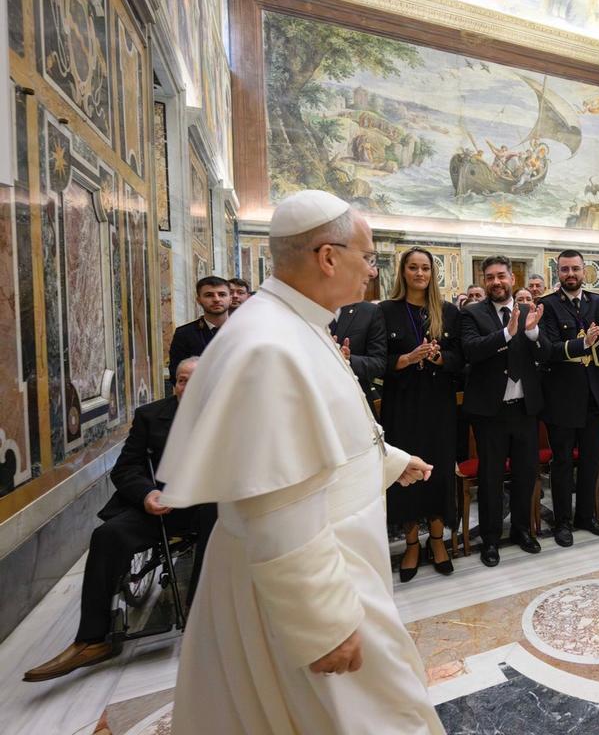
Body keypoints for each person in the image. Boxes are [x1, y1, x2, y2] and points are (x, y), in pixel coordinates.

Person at [156, 190, 443, 734]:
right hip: (311, 581)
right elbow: (274, 498)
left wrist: (389, 462)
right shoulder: (268, 344)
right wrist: (321, 624)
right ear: (328, 257)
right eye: (368, 257)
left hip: (327, 561)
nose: (372, 272)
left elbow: (325, 433)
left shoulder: (297, 322)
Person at [24, 358, 216, 682]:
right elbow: (127, 468)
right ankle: (92, 640)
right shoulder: (151, 416)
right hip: (163, 507)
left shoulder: (229, 417)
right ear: (174, 384)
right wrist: (147, 495)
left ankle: (202, 625)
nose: (187, 387)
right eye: (181, 381)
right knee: (108, 535)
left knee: (216, 518)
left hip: (213, 508)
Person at [379, 247, 461, 581]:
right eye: (413, 267)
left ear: (433, 273)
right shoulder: (386, 311)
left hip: (438, 405)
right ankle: (412, 543)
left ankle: (438, 540)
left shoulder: (449, 311)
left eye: (425, 268)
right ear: (403, 272)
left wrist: (440, 359)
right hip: (402, 405)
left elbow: (462, 359)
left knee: (438, 473)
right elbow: (377, 360)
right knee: (407, 473)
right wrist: (407, 358)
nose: (419, 274)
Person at [459, 255, 547, 567]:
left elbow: (545, 352)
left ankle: (522, 530)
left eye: (502, 276)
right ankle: (491, 540)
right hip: (490, 412)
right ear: (485, 281)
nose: (496, 282)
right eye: (490, 277)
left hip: (525, 409)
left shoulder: (528, 311)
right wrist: (507, 334)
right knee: (491, 478)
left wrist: (533, 333)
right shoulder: (472, 314)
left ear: (512, 278)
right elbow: (471, 350)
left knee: (526, 474)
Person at [538, 250, 599, 547]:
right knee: (561, 463)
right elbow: (548, 350)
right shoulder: (546, 305)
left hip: (594, 395)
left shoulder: (596, 302)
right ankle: (562, 522)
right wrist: (583, 343)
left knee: (590, 460)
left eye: (575, 269)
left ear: (585, 271)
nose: (570, 274)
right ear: (556, 273)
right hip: (562, 396)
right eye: (564, 270)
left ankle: (587, 515)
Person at [168, 276, 230, 381]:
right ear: (199, 300)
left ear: (230, 298)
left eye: (222, 294)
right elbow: (177, 373)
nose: (216, 299)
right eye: (209, 295)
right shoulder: (185, 334)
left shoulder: (245, 331)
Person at [331, 300, 388, 404]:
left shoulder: (369, 311)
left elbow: (379, 363)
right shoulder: (306, 307)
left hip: (354, 400)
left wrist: (349, 360)